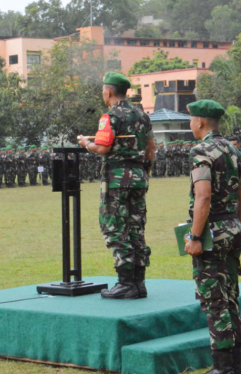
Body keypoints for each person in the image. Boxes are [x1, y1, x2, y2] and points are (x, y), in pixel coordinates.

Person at [76, 71, 155, 300]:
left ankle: (125, 283)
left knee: (115, 227)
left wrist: (85, 143)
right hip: (139, 177)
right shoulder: (142, 115)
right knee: (136, 227)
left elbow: (102, 148)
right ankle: (139, 283)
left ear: (108, 92)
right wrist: (144, 172)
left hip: (117, 179)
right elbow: (151, 148)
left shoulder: (109, 117)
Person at [185, 100, 241, 374]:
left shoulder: (201, 150)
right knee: (231, 297)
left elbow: (204, 196)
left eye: (191, 120)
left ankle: (223, 368)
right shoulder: (234, 149)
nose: (191, 124)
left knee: (214, 300)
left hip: (212, 234)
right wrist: (236, 226)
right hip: (233, 230)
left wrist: (195, 235)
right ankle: (234, 365)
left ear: (199, 122)